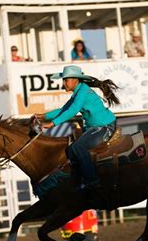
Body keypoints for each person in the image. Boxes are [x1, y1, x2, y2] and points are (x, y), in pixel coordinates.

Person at [34, 65, 120, 205]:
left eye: (65, 80)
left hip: (103, 127)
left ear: (74, 80)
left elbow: (72, 111)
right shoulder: (80, 91)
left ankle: (93, 184)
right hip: (94, 127)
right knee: (73, 147)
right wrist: (43, 116)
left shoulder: (83, 92)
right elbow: (64, 109)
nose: (63, 83)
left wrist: (52, 124)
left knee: (77, 148)